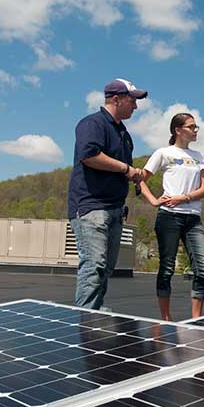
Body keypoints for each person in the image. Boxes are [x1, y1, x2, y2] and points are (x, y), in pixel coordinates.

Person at [68, 78, 147, 310]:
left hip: (114, 209)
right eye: (132, 101)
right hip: (92, 207)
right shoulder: (92, 124)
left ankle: (92, 314)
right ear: (116, 99)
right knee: (95, 266)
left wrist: (134, 174)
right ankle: (83, 321)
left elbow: (123, 169)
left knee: (105, 269)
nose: (135, 107)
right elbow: (89, 155)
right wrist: (126, 169)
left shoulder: (124, 134)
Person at [139, 113, 204, 321]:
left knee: (203, 268)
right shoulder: (163, 153)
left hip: (193, 218)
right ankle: (165, 319)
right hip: (169, 217)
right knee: (167, 267)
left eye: (197, 127)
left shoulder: (199, 156)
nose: (196, 130)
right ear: (178, 130)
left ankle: (196, 319)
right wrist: (153, 200)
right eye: (191, 127)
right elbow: (140, 178)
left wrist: (184, 197)